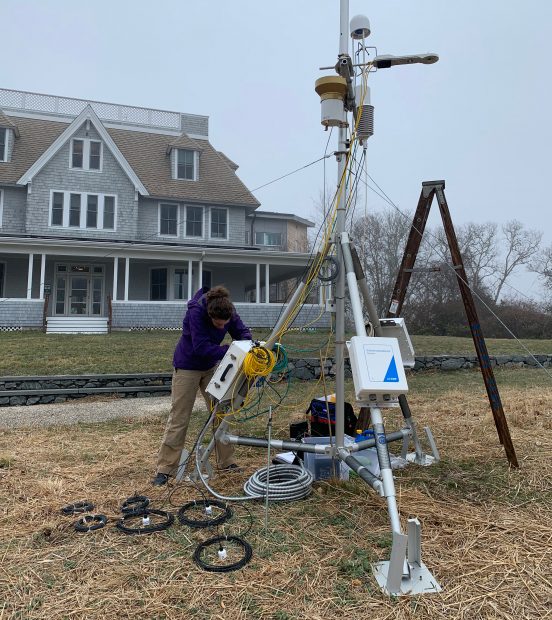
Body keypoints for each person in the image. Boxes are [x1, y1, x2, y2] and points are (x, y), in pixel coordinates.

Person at [151, 285, 252, 486]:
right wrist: (230, 349)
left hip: (211, 366)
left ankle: (227, 461)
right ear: (209, 314)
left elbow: (242, 333)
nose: (221, 327)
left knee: (221, 412)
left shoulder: (228, 311)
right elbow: (201, 347)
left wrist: (248, 346)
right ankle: (166, 468)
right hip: (187, 365)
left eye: (225, 324)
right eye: (217, 324)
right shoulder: (196, 312)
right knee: (180, 416)